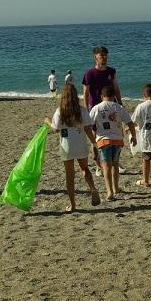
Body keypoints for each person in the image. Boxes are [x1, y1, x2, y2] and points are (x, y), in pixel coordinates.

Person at [44, 83, 101, 212]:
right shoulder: (82, 110)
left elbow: (55, 129)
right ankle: (92, 188)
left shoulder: (60, 111)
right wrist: (94, 143)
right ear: (75, 96)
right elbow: (87, 128)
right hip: (80, 144)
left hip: (66, 146)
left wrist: (47, 121)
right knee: (85, 168)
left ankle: (73, 205)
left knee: (70, 175)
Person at [82, 46, 127, 176]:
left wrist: (120, 103)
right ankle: (98, 165)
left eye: (106, 55)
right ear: (95, 57)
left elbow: (116, 88)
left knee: (114, 134)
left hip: (111, 108)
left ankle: (115, 163)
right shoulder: (89, 73)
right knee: (95, 137)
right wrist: (86, 111)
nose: (104, 57)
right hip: (95, 109)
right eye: (101, 55)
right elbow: (85, 94)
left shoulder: (111, 71)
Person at [89, 86, 137, 200]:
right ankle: (116, 187)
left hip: (103, 140)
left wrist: (92, 139)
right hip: (117, 140)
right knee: (115, 164)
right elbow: (130, 122)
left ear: (102, 96)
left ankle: (110, 191)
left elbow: (89, 123)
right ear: (114, 97)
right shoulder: (119, 107)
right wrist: (133, 136)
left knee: (106, 166)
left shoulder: (96, 108)